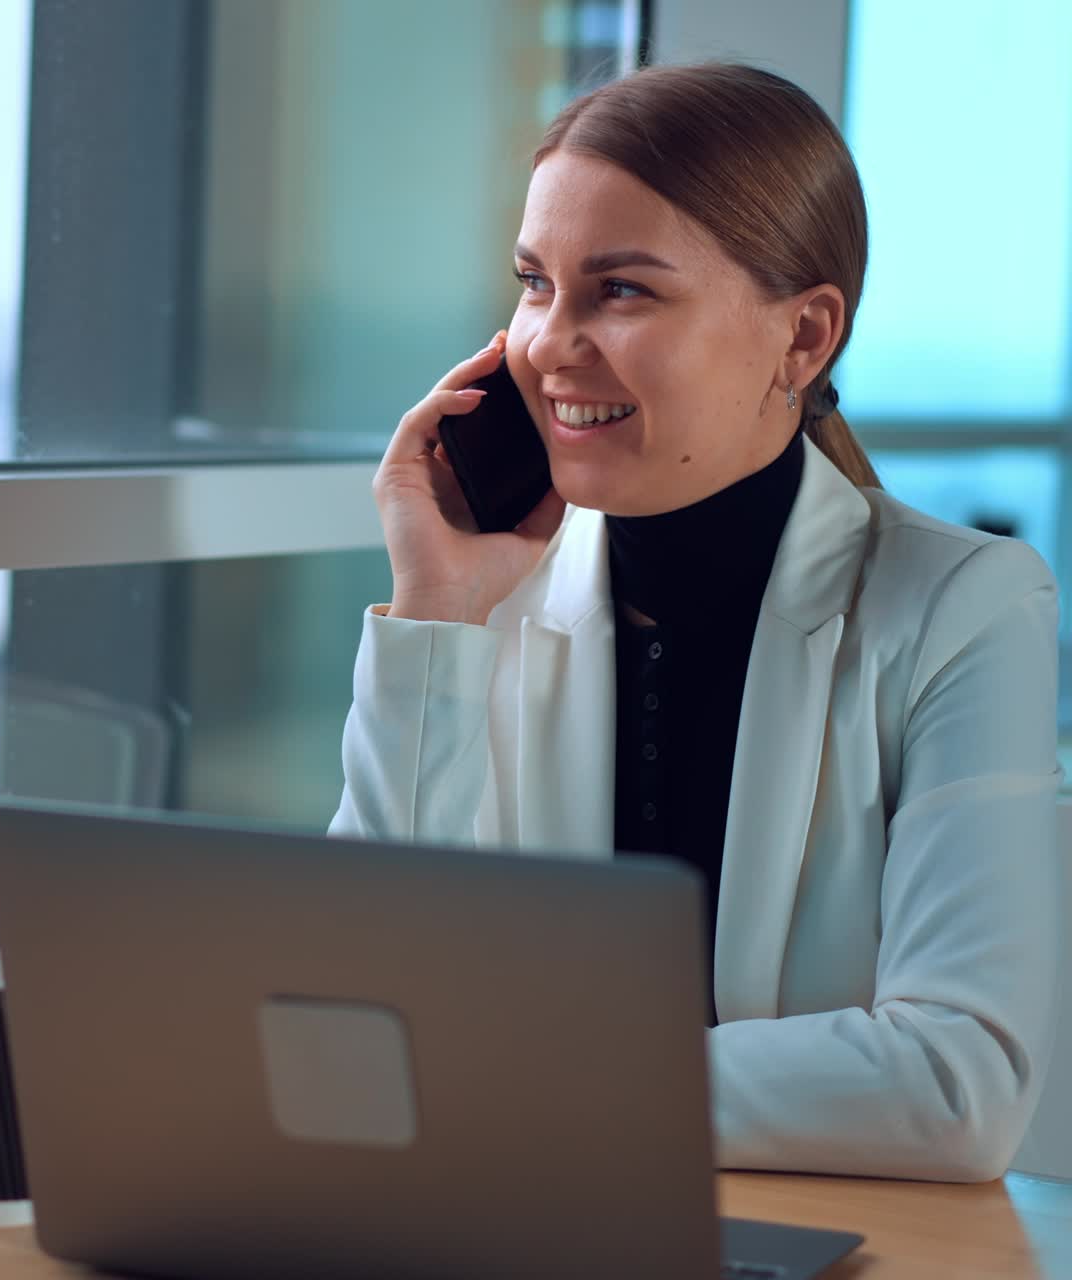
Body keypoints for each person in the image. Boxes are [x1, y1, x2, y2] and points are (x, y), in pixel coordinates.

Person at [328, 62, 1060, 1182]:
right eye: (534, 283)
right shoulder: (486, 591)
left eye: (620, 290)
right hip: (526, 1218)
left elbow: (958, 1080)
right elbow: (354, 1016)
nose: (547, 343)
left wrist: (513, 1079)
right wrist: (435, 612)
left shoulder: (963, 606)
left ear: (803, 337)